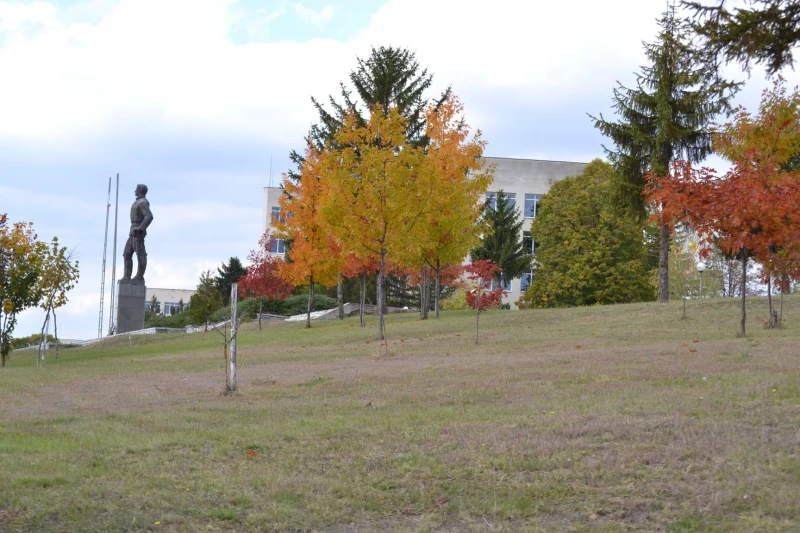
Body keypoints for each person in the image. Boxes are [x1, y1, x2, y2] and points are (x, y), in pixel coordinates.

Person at [121, 184, 153, 281]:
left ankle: (139, 276)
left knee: (140, 253)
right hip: (133, 230)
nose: (134, 191)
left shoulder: (143, 202)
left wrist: (140, 228)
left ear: (140, 190)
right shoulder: (138, 201)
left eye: (136, 189)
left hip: (137, 231)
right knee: (127, 253)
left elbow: (149, 216)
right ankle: (127, 276)